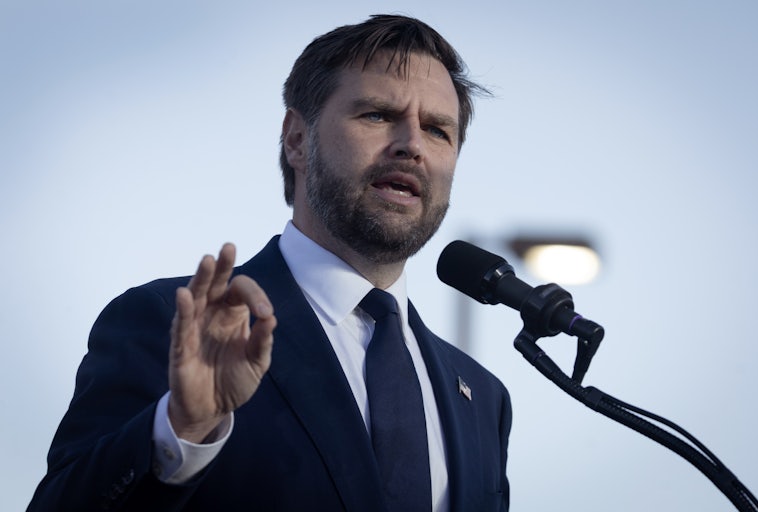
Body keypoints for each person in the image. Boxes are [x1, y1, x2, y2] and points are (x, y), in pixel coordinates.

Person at [28, 14, 512, 512]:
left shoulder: (482, 399)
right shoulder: (170, 324)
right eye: (377, 115)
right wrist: (182, 428)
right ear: (297, 139)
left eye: (437, 130)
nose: (411, 145)